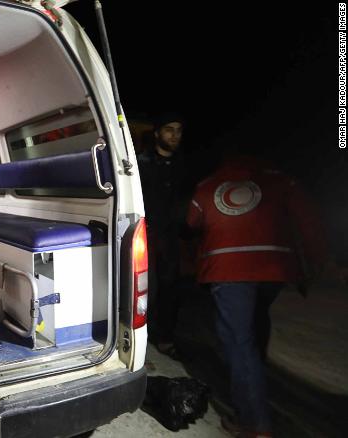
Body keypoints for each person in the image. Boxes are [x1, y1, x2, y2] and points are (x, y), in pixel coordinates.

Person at [186, 153, 327, 437]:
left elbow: (191, 222)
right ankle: (256, 386)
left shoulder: (208, 186)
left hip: (228, 271)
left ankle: (254, 422)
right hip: (273, 270)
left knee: (238, 342)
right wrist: (315, 264)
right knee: (255, 326)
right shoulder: (280, 180)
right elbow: (310, 223)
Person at [136, 112, 188, 358]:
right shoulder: (140, 163)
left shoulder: (183, 165)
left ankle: (165, 338)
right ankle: (140, 338)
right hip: (145, 236)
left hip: (171, 238)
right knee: (146, 288)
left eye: (178, 130)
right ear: (157, 133)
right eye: (169, 129)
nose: (174, 135)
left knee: (171, 288)